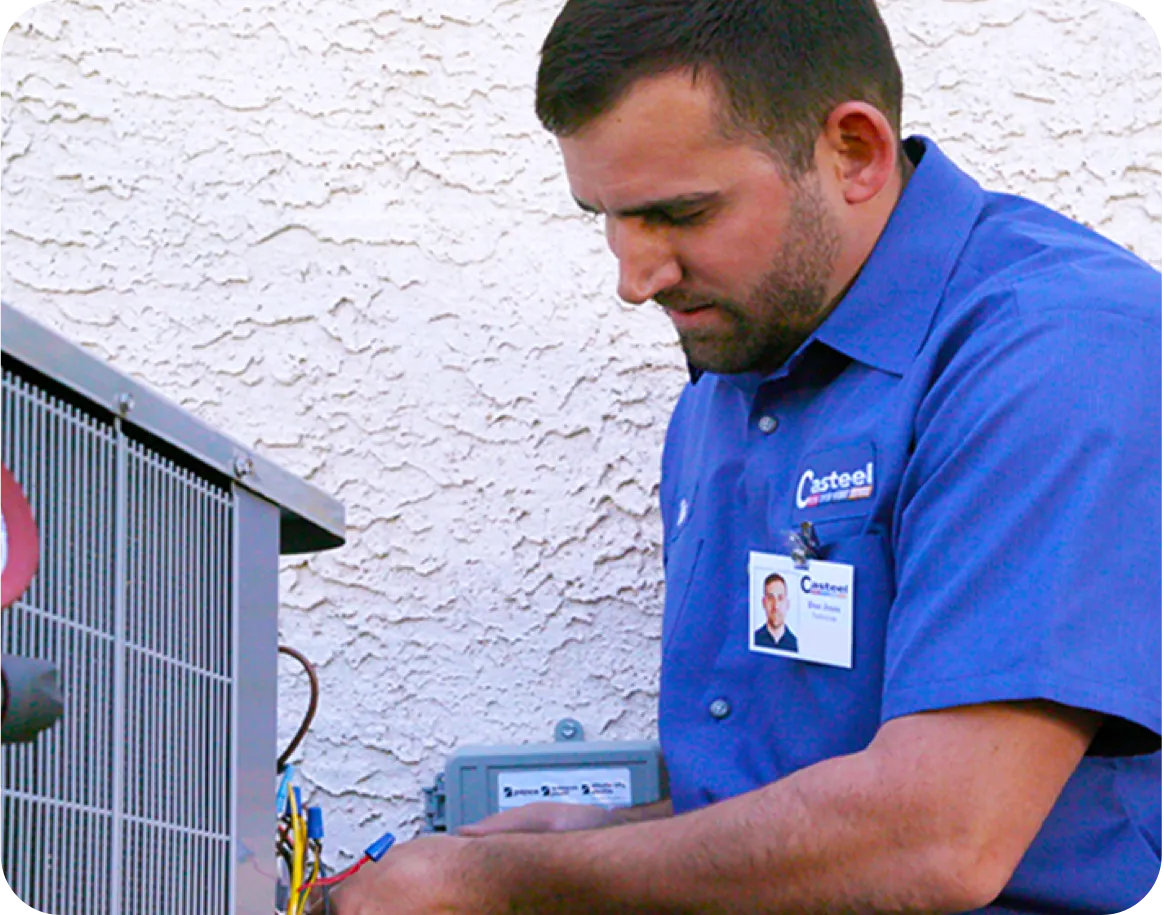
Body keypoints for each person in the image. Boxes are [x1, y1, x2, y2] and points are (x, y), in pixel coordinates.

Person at [318, 1, 1162, 912]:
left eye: (679, 212)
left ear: (853, 153)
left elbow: (937, 837)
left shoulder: (1057, 348)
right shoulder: (730, 383)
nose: (633, 279)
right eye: (603, 217)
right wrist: (589, 832)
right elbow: (787, 811)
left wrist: (506, 883)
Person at [753, 573, 797, 652]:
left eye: (780, 598)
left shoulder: (796, 645)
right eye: (770, 598)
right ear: (763, 603)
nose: (776, 606)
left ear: (787, 604)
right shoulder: (754, 639)